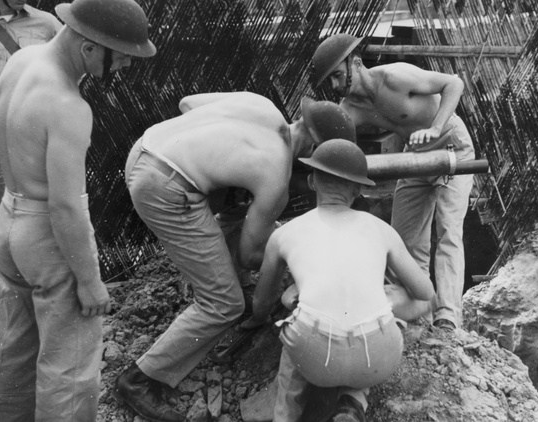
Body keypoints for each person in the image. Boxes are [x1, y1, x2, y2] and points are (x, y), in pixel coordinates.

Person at [112, 93, 357, 422]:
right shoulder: (276, 173)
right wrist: (289, 264)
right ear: (316, 150)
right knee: (224, 303)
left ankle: (220, 293)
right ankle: (141, 379)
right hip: (165, 189)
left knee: (235, 206)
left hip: (146, 150)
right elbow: (249, 252)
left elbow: (186, 104)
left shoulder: (262, 106)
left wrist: (227, 177)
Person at [0, 0, 156, 419]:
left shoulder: (23, 60)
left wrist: (17, 174)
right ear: (89, 46)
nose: (126, 68)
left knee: (15, 352)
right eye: (124, 58)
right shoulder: (68, 107)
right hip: (47, 236)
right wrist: (90, 281)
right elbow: (65, 207)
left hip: (8, 221)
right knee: (70, 369)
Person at [241, 138, 435, 422]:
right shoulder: (380, 229)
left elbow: (262, 301)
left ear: (311, 181)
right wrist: (386, 295)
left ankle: (285, 416)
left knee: (295, 323)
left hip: (315, 358)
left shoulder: (285, 234)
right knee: (402, 303)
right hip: (378, 355)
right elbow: (425, 291)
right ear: (357, 190)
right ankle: (352, 403)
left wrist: (264, 314)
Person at [311, 33, 476, 331]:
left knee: (449, 229)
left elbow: (454, 83)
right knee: (404, 238)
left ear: (356, 63)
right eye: (331, 81)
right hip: (413, 157)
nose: (336, 86)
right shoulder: (351, 110)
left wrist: (435, 127)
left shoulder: (396, 77)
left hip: (452, 146)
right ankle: (418, 309)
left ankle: (448, 317)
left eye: (337, 76)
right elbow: (325, 141)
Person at [0, 0, 62, 337]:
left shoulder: (46, 25)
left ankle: (9, 304)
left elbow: (71, 69)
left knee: (22, 215)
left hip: (22, 134)